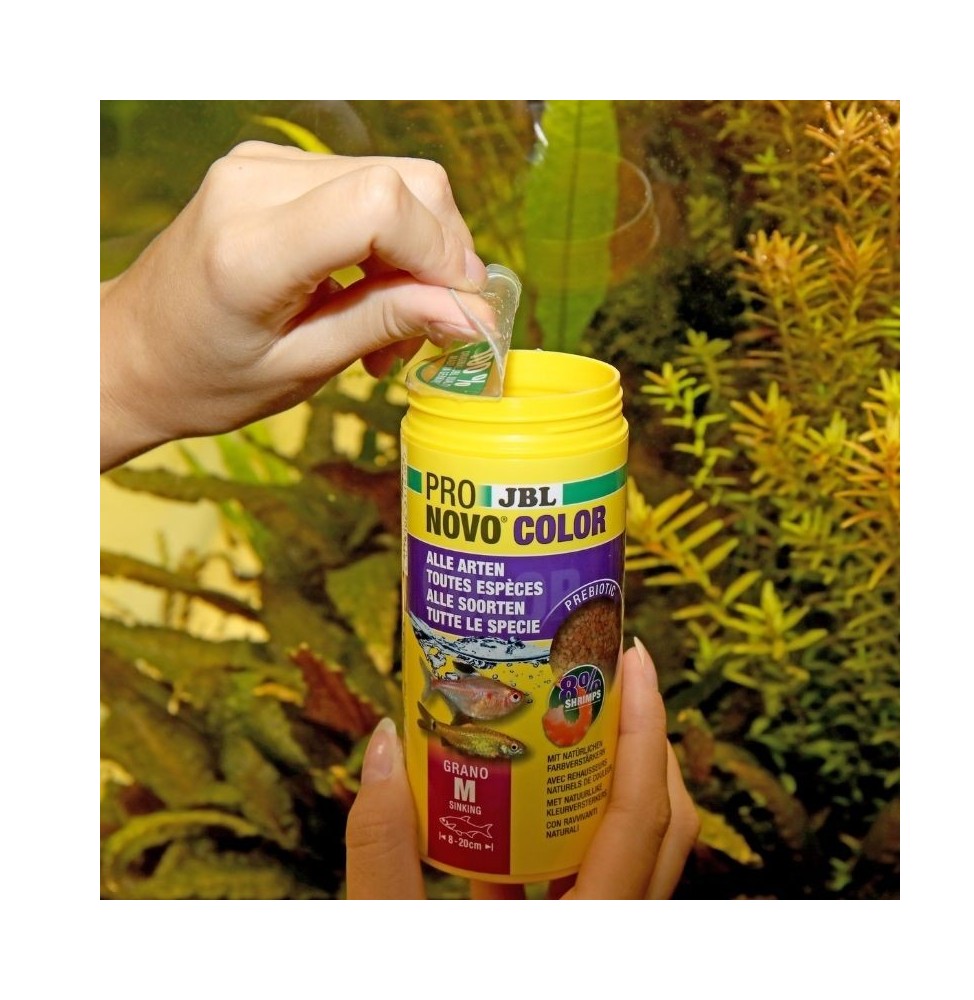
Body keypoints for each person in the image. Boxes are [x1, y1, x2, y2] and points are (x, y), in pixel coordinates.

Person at [101, 140, 700, 899]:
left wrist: (121, 360)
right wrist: (124, 356)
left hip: (565, 777)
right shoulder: (438, 438)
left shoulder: (584, 445)